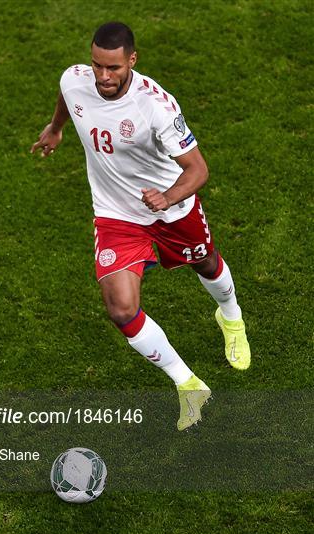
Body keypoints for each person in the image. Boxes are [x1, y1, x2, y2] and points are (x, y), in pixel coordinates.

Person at [31, 22, 250, 431]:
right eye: (97, 66)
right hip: (116, 214)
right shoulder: (75, 79)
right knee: (121, 308)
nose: (103, 77)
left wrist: (168, 197)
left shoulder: (156, 106)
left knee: (205, 263)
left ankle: (231, 317)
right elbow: (67, 95)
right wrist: (56, 127)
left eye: (113, 68)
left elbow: (198, 168)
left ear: (132, 60)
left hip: (170, 209)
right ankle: (189, 385)